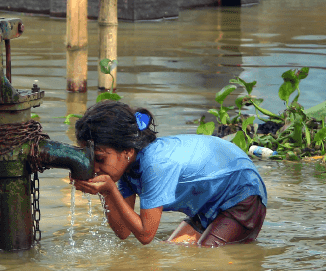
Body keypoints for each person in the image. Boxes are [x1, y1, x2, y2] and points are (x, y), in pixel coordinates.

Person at [72, 100, 267, 246]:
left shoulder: (155, 165)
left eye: (100, 159)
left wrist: (111, 190)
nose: (95, 168)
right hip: (210, 199)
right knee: (172, 250)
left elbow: (145, 235)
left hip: (241, 192)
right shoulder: (128, 166)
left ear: (127, 151)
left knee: (205, 258)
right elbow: (123, 231)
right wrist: (107, 191)